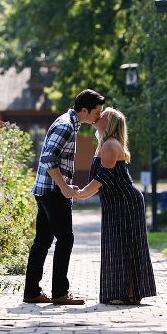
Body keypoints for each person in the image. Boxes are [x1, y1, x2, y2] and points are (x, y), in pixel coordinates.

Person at [22, 89, 105, 305]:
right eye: (97, 112)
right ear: (85, 110)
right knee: (65, 239)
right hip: (53, 192)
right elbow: (48, 158)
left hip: (46, 190)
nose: (99, 116)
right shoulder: (66, 126)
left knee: (43, 241)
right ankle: (60, 293)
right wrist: (64, 188)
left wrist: (66, 185)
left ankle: (31, 292)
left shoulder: (68, 123)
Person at [76, 108, 157, 304]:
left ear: (110, 123)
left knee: (124, 247)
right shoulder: (105, 144)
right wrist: (82, 194)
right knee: (119, 246)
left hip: (125, 202)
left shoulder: (110, 145)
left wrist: (81, 194)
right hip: (116, 202)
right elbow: (101, 180)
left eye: (103, 115)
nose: (98, 116)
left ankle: (126, 294)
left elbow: (102, 178)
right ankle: (128, 294)